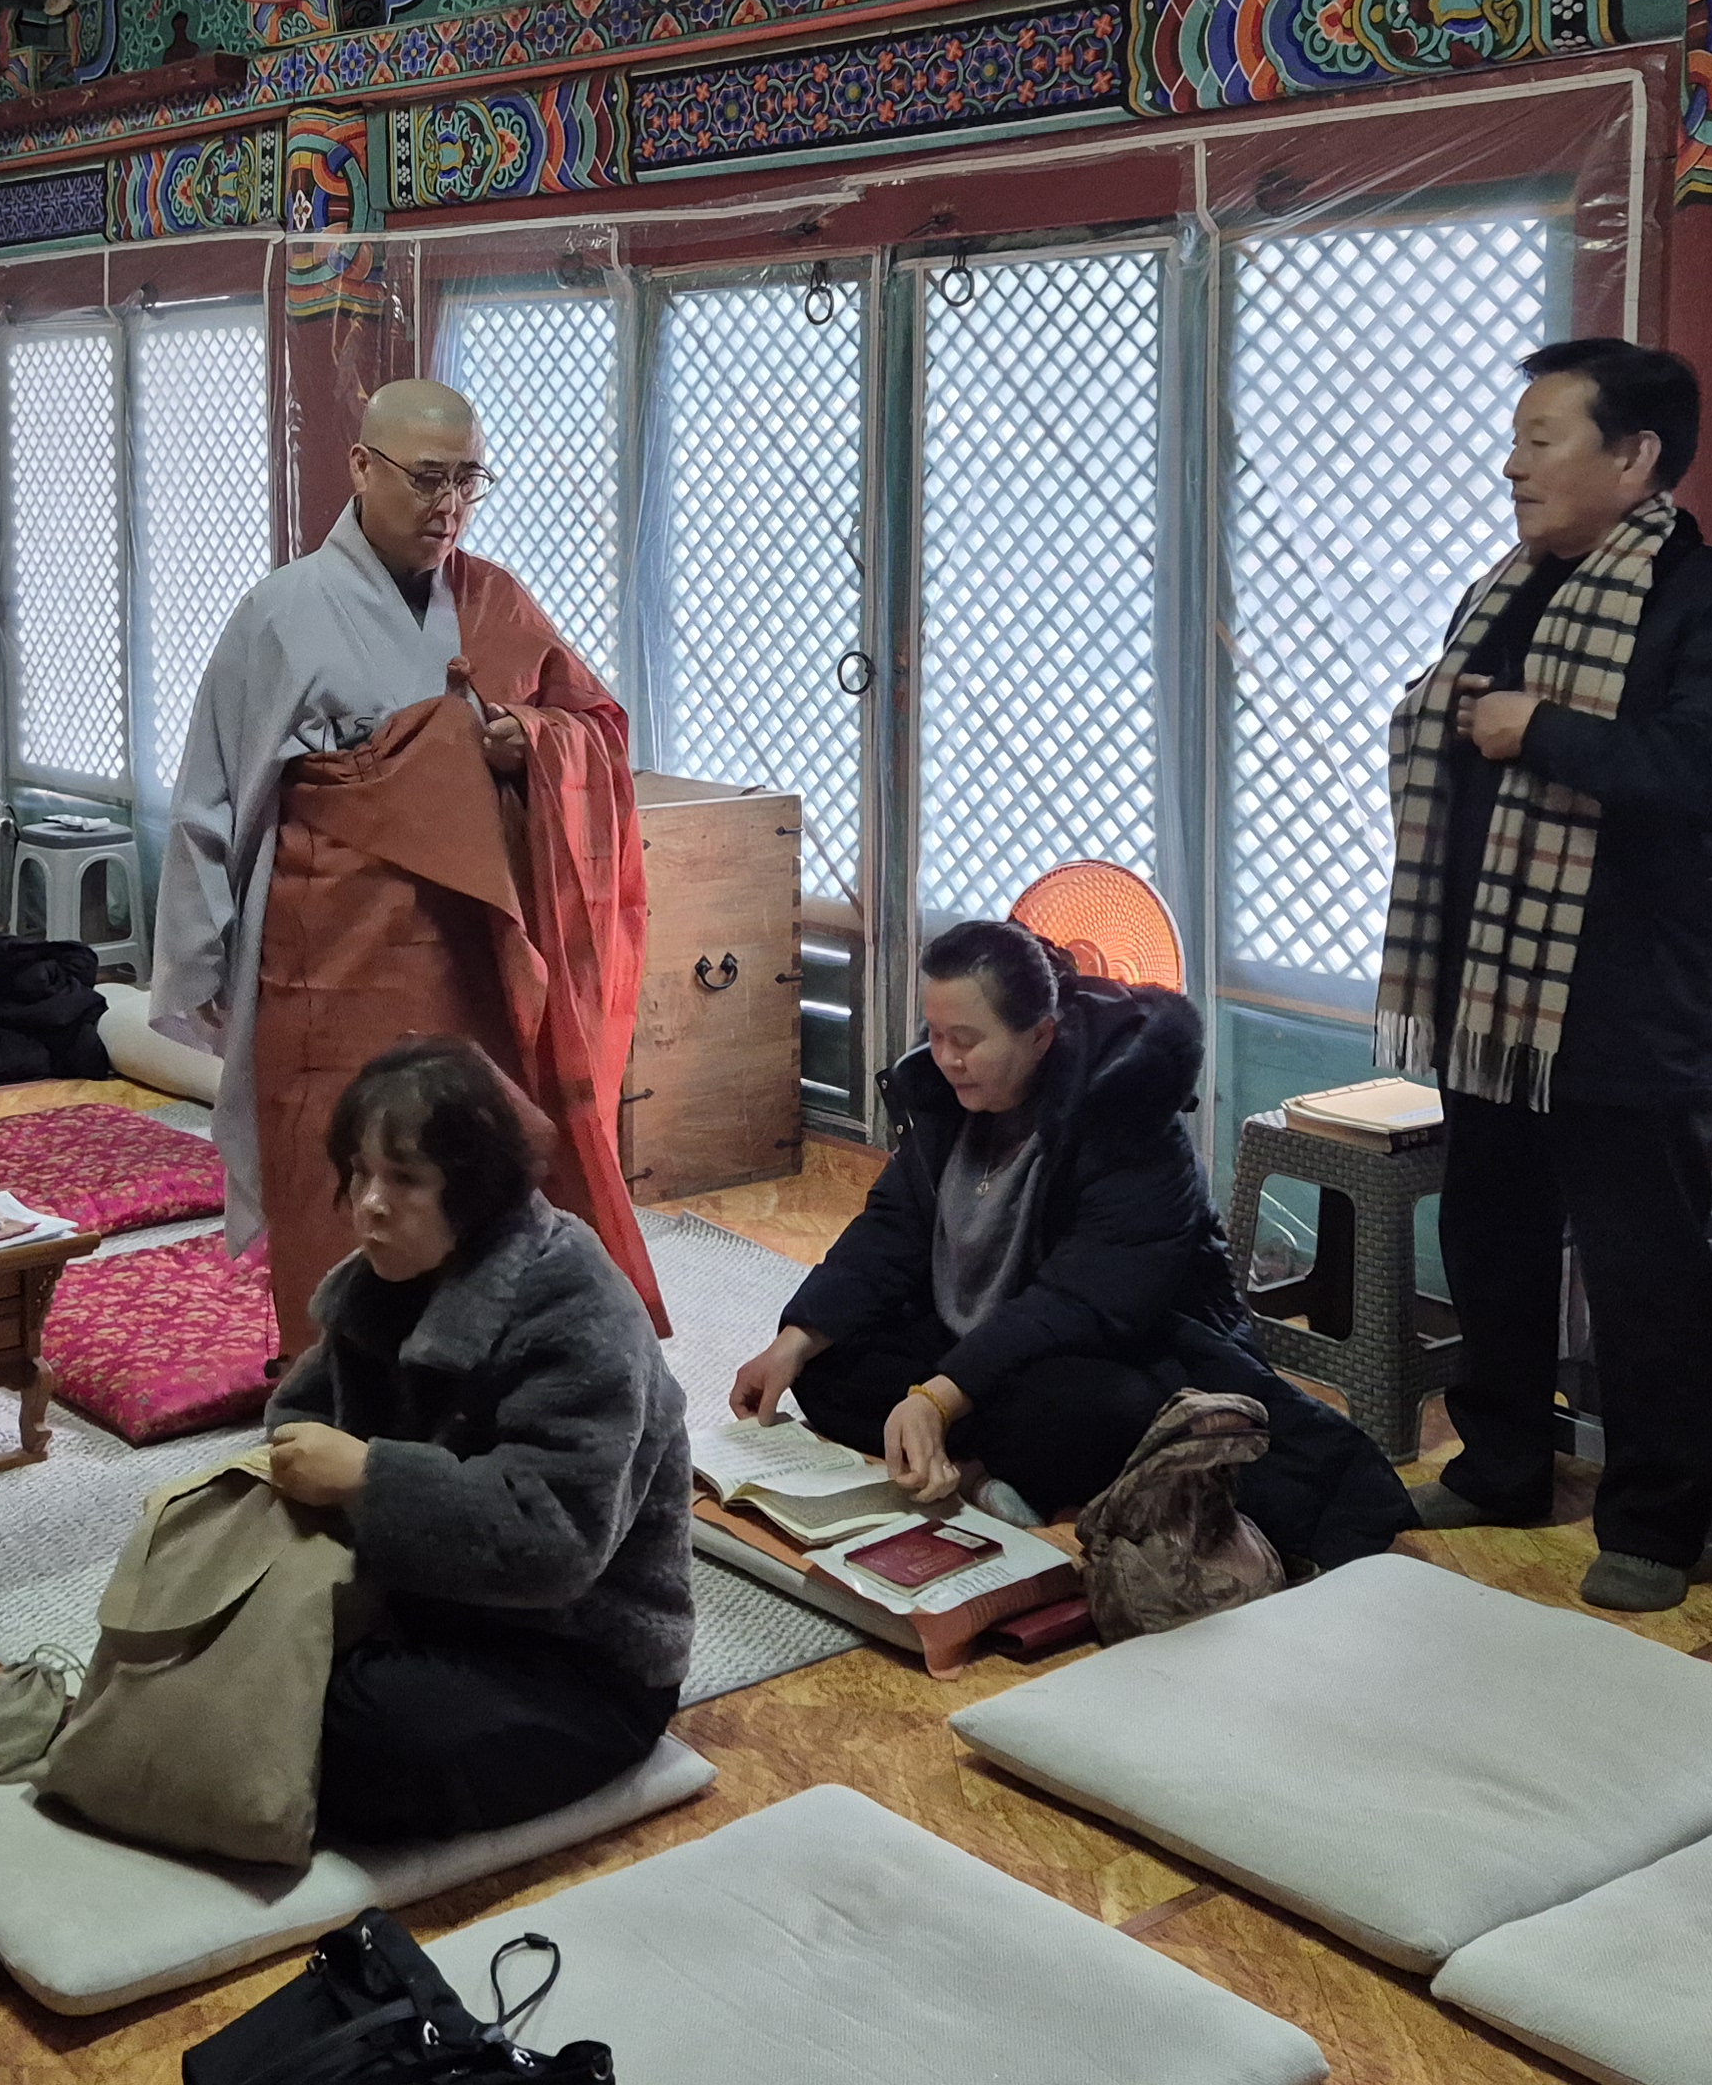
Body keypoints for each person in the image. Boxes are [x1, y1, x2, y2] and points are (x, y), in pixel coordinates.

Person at [1377, 336, 1712, 1611]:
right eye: (1514, 440)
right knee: (1491, 1234)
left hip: (1629, 1004)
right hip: (1492, 997)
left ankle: (1656, 1526)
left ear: (1634, 458)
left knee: (1641, 1270)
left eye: (1539, 439)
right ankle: (1502, 1465)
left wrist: (1544, 731)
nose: (1511, 466)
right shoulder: (1507, 591)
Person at [152, 376, 662, 1357]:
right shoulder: (282, 612)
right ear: (361, 466)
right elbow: (211, 795)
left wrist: (527, 737)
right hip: (329, 951)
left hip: (474, 952)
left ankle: (481, 1370)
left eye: (470, 480)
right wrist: (201, 957)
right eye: (429, 478)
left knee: (469, 1162)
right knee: (335, 1166)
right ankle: (336, 1381)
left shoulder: (496, 599)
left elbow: (594, 727)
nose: (450, 504)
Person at [728, 919, 1409, 1572]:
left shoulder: (1131, 1120)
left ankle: (995, 1465)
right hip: (984, 1341)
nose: (946, 1058)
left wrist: (938, 1398)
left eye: (966, 1040)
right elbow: (891, 1229)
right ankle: (990, 1473)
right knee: (825, 1361)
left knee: (1085, 1412)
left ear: (1041, 1035)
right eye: (934, 1035)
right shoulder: (945, 1096)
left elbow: (1082, 1302)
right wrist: (795, 1338)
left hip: (1115, 1348)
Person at [265, 1038, 692, 1844]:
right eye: (359, 1173)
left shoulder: (577, 1301)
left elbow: (559, 1540)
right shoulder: (379, 1280)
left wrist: (371, 1478)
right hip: (421, 1615)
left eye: (405, 1179)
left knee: (373, 1732)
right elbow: (298, 1423)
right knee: (226, 1663)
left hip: (580, 1658)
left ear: (476, 1187)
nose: (370, 1205)